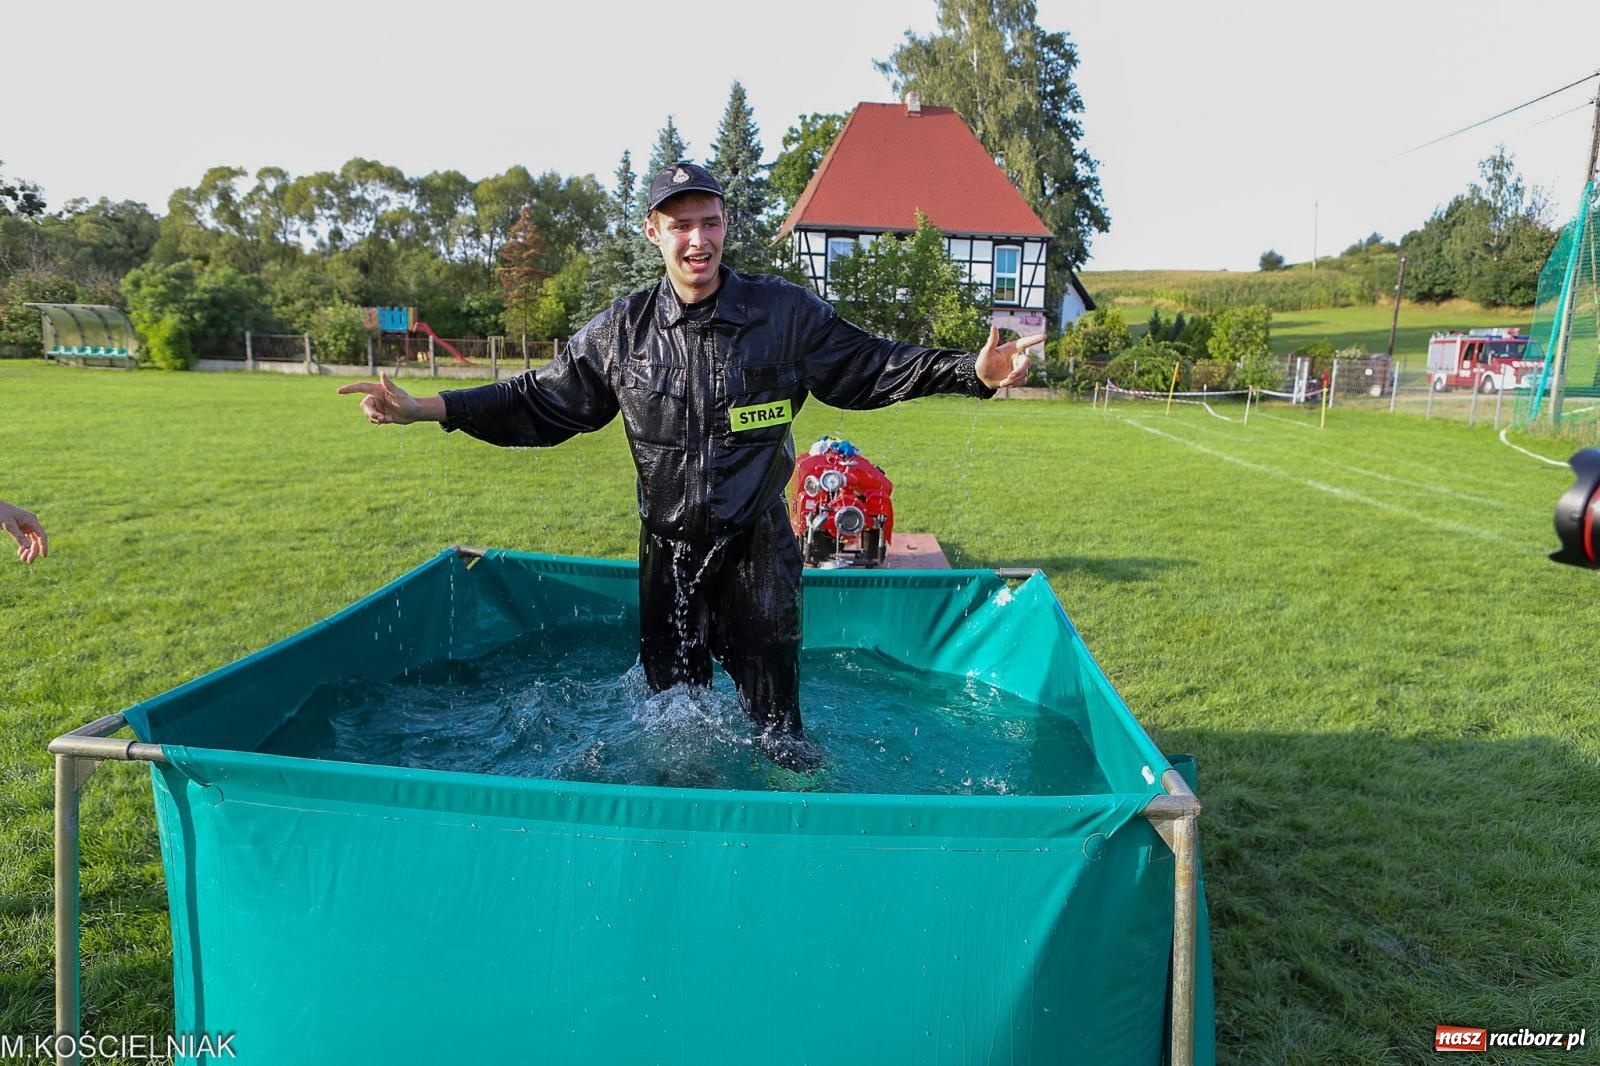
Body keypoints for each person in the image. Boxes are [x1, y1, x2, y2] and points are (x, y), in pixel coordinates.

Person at [339, 162, 1040, 763]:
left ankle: (797, 838)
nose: (696, 240)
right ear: (653, 233)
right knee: (671, 728)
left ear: (726, 225)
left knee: (779, 733)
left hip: (756, 552)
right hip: (667, 556)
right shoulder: (624, 333)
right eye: (679, 226)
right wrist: (428, 407)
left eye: (708, 223)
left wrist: (968, 373)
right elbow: (538, 400)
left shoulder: (782, 315)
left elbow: (871, 363)